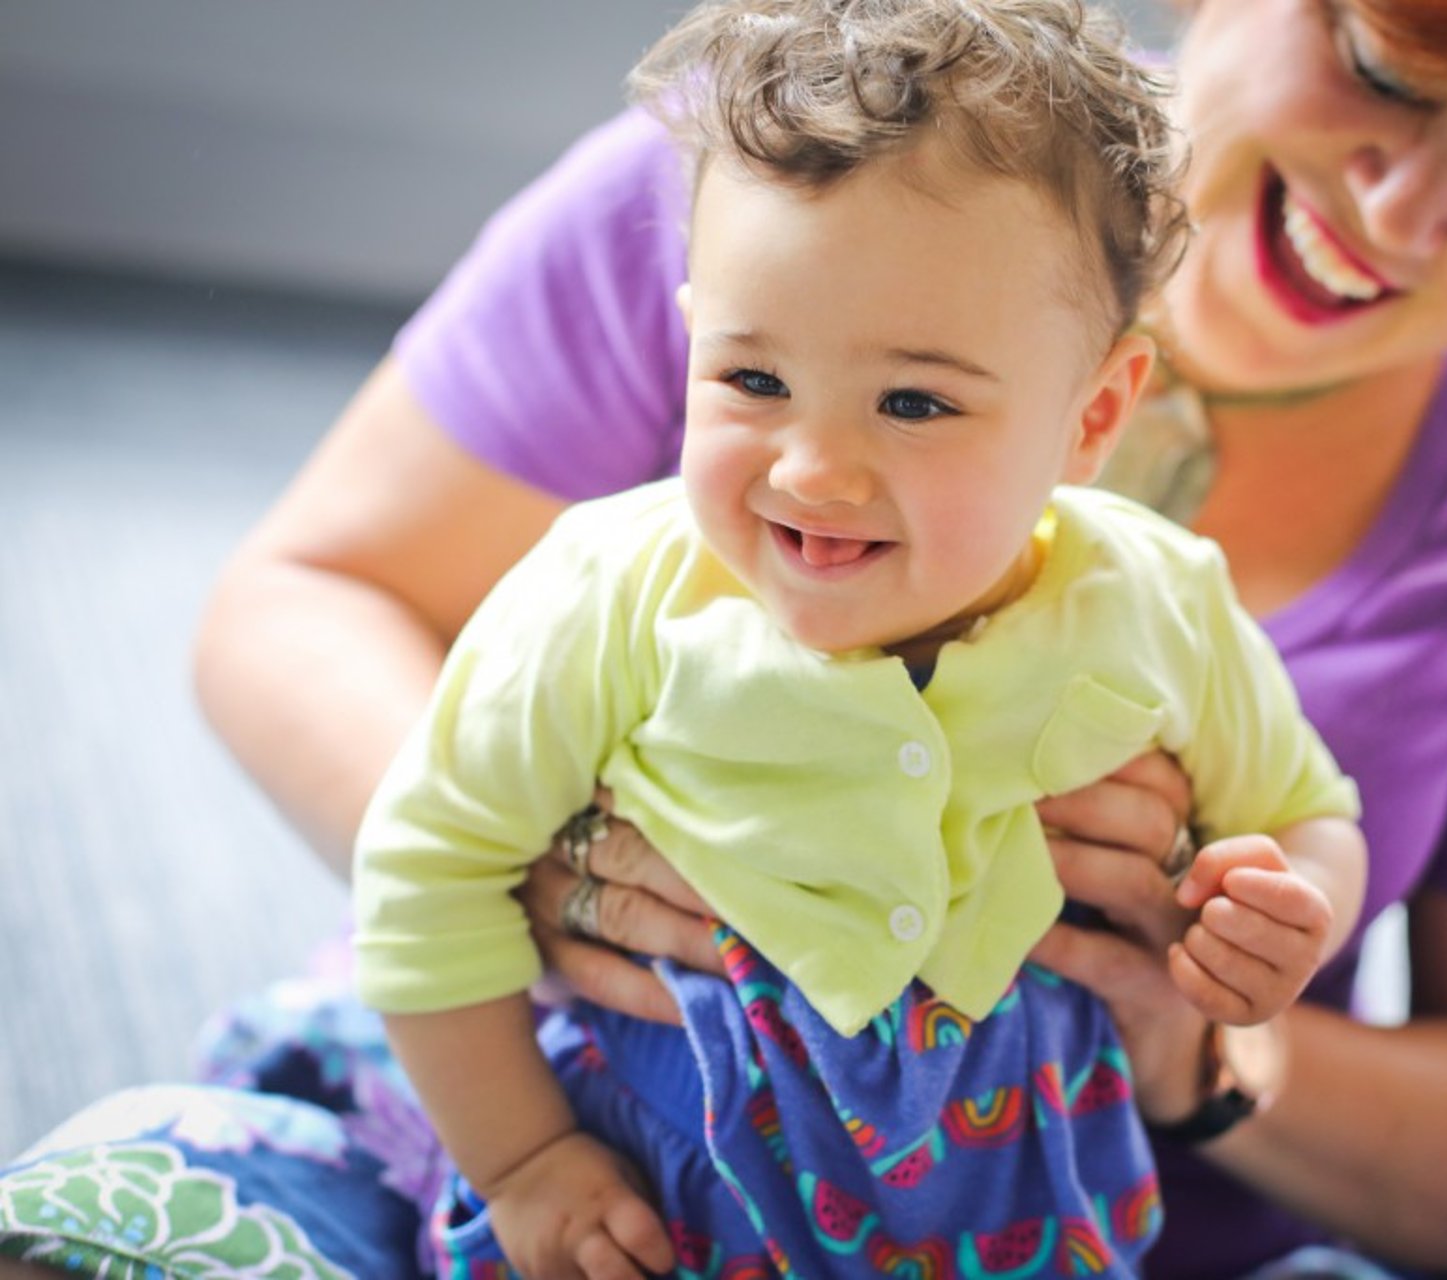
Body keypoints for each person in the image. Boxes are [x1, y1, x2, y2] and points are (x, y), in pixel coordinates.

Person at [0, 0, 1447, 1277]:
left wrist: (1207, 1049)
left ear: (1094, 420)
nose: (1405, 212)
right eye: (1386, 70)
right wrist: (545, 892)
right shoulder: (789, 179)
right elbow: (300, 598)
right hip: (574, 1127)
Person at [351, 1, 1366, 1276]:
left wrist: (1290, 913)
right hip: (654, 1206)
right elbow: (423, 869)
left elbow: (1309, 809)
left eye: (914, 401)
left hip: (1026, 1222)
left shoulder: (1159, 601)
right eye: (752, 381)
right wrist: (521, 1161)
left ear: (1092, 412)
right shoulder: (616, 592)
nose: (816, 471)